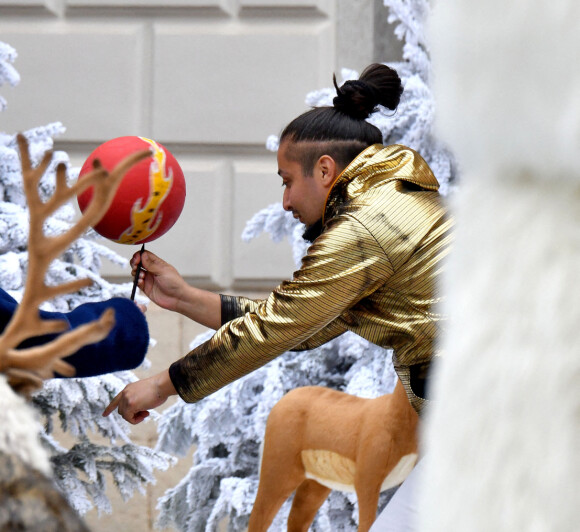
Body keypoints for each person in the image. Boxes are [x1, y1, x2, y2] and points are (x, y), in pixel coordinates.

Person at [103, 61, 452, 441]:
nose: (285, 202)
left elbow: (275, 329)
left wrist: (158, 387)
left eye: (287, 182)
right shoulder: (391, 201)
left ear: (323, 170)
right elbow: (299, 327)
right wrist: (184, 298)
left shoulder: (362, 230)